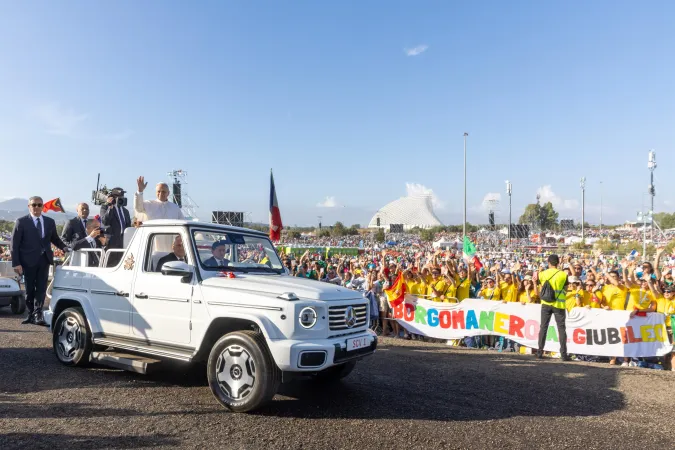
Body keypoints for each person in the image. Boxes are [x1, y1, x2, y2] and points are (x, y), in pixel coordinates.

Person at [10, 196, 69, 325]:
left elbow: (55, 239)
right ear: (29, 206)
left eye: (39, 205)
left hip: (44, 260)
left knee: (41, 288)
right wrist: (16, 263)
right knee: (30, 289)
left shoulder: (49, 222)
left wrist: (64, 247)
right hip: (27, 261)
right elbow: (14, 244)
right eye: (34, 205)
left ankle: (38, 314)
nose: (36, 207)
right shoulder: (21, 222)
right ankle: (30, 313)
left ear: (43, 206)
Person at [536, 254, 570, 361]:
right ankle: (564, 354)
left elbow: (539, 286)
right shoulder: (563, 275)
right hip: (559, 305)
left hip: (546, 303)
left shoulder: (543, 274)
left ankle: (540, 351)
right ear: (558, 263)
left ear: (548, 262)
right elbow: (565, 288)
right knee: (561, 329)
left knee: (543, 328)